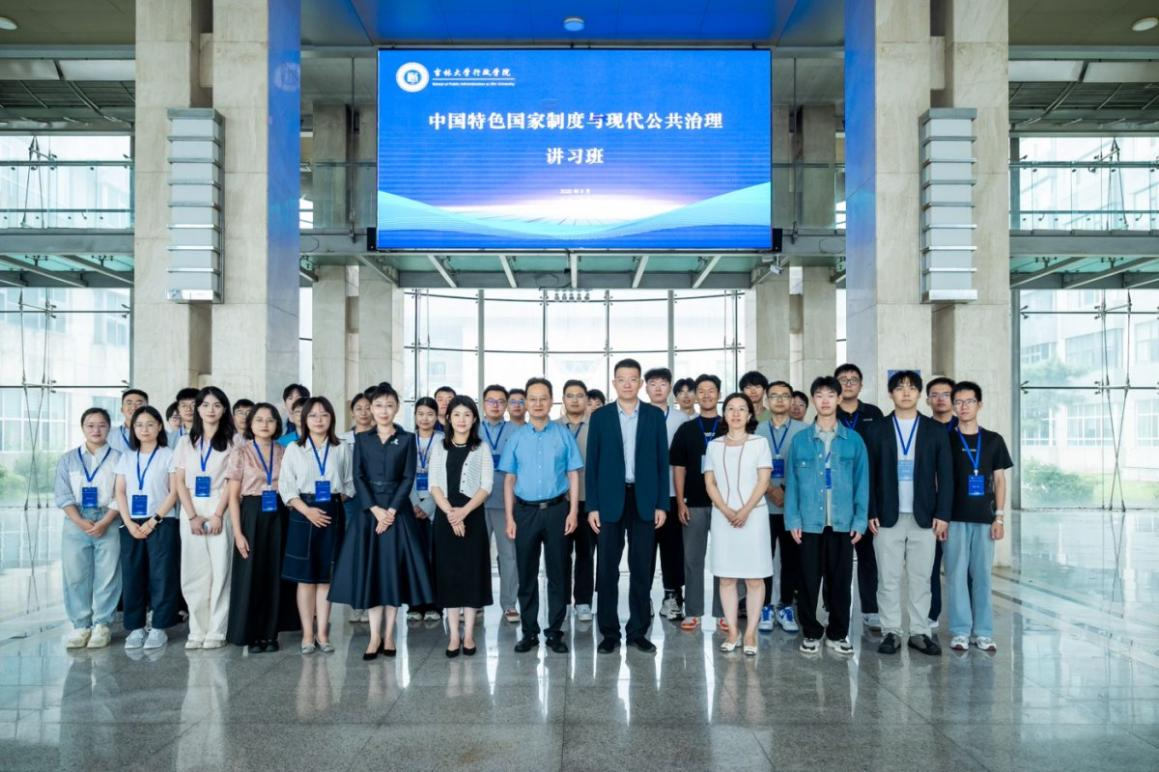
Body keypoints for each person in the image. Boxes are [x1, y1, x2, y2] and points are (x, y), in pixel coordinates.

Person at [330, 382, 433, 660]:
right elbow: (358, 476)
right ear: (371, 409)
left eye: (389, 405)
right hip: (369, 514)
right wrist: (375, 509)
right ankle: (374, 636)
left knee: (392, 573)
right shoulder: (362, 439)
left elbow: (408, 477)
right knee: (373, 573)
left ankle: (389, 635)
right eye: (378, 405)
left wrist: (391, 511)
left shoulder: (407, 439)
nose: (383, 410)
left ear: (397, 408)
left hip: (398, 514)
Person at [586, 358, 670, 654]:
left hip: (644, 500)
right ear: (614, 383)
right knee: (607, 569)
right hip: (609, 500)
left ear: (640, 383)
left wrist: (662, 504)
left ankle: (637, 631)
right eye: (621, 379)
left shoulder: (653, 416)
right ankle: (609, 633)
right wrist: (592, 506)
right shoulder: (601, 417)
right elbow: (592, 464)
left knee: (642, 568)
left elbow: (662, 462)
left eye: (633, 379)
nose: (627, 384)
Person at [865, 370, 952, 657]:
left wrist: (943, 514)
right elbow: (868, 475)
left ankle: (919, 632)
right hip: (886, 516)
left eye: (911, 388)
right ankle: (891, 631)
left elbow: (946, 476)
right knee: (887, 578)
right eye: (900, 387)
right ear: (890, 393)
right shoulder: (877, 429)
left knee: (921, 578)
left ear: (919, 394)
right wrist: (870, 510)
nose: (905, 392)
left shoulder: (935, 430)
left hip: (924, 517)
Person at [785, 376, 869, 655]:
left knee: (841, 582)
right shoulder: (800, 441)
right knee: (808, 581)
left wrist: (860, 520)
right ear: (813, 400)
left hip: (843, 523)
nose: (825, 400)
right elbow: (792, 484)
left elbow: (862, 483)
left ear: (839, 399)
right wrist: (793, 519)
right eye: (819, 395)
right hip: (809, 522)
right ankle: (811, 632)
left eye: (830, 395)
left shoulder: (853, 440)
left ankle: (837, 633)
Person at [501, 378, 583, 654]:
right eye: (532, 399)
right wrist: (510, 517)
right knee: (526, 574)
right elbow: (509, 479)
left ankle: (555, 631)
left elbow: (573, 474)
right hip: (524, 513)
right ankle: (529, 632)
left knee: (558, 573)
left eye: (543, 398)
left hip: (558, 510)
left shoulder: (562, 434)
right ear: (526, 402)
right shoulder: (516, 437)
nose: (537, 404)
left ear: (551, 401)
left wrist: (573, 511)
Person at [279, 396, 352, 654]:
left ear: (332, 418)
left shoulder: (341, 447)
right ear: (304, 419)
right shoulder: (294, 448)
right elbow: (286, 486)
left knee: (326, 577)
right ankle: (307, 635)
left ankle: (323, 633)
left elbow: (349, 484)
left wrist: (332, 502)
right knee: (306, 578)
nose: (318, 420)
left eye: (324, 415)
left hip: (332, 511)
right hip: (303, 512)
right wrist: (308, 510)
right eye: (312, 415)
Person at [225, 403, 298, 652]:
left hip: (279, 513)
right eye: (259, 420)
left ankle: (270, 634)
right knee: (251, 574)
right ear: (250, 424)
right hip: (251, 514)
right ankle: (252, 633)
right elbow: (233, 497)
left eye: (270, 420)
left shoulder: (285, 451)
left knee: (275, 573)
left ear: (277, 424)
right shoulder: (240, 452)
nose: (265, 424)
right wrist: (238, 533)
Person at [946, 381, 1012, 654]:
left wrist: (1000, 518)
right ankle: (961, 631)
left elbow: (1000, 480)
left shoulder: (994, 440)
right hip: (953, 519)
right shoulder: (947, 439)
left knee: (983, 576)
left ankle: (983, 632)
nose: (963, 407)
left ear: (980, 404)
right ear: (953, 406)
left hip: (985, 519)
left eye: (969, 401)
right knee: (956, 575)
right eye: (958, 402)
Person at [705, 393, 773, 655]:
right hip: (723, 518)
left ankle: (751, 632)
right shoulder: (714, 446)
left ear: (749, 415)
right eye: (731, 409)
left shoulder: (760, 443)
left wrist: (744, 511)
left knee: (755, 578)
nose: (736, 413)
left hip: (753, 516)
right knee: (726, 577)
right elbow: (710, 482)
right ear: (724, 415)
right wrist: (725, 510)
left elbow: (763, 481)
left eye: (741, 409)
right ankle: (733, 631)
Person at [171, 386, 237, 649]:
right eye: (206, 405)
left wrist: (219, 514)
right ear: (198, 409)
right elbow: (179, 481)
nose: (211, 410)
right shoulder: (185, 442)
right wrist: (191, 516)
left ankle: (217, 630)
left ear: (224, 409)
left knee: (221, 570)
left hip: (221, 503)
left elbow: (233, 481)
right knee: (194, 571)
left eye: (217, 405)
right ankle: (197, 629)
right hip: (192, 506)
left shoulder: (234, 441)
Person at [429, 396, 493, 657]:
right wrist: (451, 515)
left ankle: (469, 636)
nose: (462, 419)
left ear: (474, 418)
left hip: (473, 517)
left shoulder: (482, 448)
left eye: (467, 414)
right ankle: (454, 635)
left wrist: (464, 513)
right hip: (445, 518)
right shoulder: (439, 447)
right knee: (450, 575)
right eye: (456, 414)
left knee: (471, 574)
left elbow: (486, 485)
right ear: (448, 418)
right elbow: (434, 484)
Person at [55, 407, 122, 649]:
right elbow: (62, 494)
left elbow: (121, 494)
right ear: (83, 428)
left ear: (109, 428)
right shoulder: (68, 459)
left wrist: (105, 521)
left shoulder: (118, 458)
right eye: (91, 425)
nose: (96, 430)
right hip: (76, 520)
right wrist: (80, 521)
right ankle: (81, 625)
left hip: (109, 519)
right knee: (75, 574)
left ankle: (102, 624)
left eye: (102, 425)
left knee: (108, 574)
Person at [114, 405, 180, 650]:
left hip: (162, 521)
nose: (144, 429)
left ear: (159, 427)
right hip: (131, 522)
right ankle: (135, 627)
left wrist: (154, 520)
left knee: (162, 575)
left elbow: (174, 491)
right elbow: (120, 491)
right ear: (133, 428)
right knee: (133, 575)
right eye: (139, 425)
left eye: (150, 424)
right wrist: (129, 522)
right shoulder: (126, 456)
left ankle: (160, 627)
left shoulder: (168, 454)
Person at [834, 362, 885, 631]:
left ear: (861, 385)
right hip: (838, 495)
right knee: (836, 558)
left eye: (853, 379)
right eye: (843, 379)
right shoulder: (829, 412)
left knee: (868, 556)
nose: (848, 383)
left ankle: (871, 609)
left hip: (868, 494)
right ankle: (832, 605)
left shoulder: (874, 414)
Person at [670, 374, 723, 632]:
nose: (706, 395)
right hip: (693, 503)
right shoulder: (687, 429)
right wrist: (681, 502)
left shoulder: (729, 426)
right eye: (701, 391)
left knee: (724, 559)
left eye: (711, 390)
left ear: (719, 394)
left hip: (725, 505)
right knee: (692, 559)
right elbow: (678, 468)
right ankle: (693, 611)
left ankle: (723, 612)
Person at [754, 380, 807, 634]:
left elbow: (807, 468)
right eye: (774, 395)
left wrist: (785, 491)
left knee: (790, 560)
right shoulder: (756, 430)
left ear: (791, 400)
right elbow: (750, 466)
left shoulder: (803, 430)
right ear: (767, 400)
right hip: (762, 506)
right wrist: (770, 489)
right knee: (763, 558)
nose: (779, 400)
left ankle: (785, 605)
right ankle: (765, 606)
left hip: (792, 507)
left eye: (785, 396)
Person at [645, 366, 690, 621]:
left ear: (669, 388)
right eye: (653, 383)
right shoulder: (638, 416)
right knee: (645, 548)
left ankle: (672, 597)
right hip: (644, 495)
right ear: (646, 388)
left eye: (663, 383)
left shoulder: (681, 419)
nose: (658, 388)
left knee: (673, 549)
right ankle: (643, 598)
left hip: (673, 494)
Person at [478, 384, 520, 624]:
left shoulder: (516, 430)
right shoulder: (473, 429)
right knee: (476, 554)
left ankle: (509, 603)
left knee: (508, 556)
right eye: (490, 401)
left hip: (506, 503)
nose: (495, 405)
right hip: (476, 503)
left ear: (506, 405)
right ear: (483, 404)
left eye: (500, 401)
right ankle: (476, 602)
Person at [557, 379, 595, 623]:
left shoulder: (597, 426)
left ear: (586, 399)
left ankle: (583, 602)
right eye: (569, 395)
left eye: (579, 395)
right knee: (560, 554)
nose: (574, 400)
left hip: (587, 500)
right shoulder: (552, 427)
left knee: (585, 554)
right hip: (559, 501)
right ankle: (561, 602)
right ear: (563, 399)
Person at [925, 375, 958, 629]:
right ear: (927, 400)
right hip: (929, 509)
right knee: (930, 565)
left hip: (961, 508)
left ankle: (963, 620)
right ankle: (932, 613)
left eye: (946, 395)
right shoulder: (922, 430)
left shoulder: (965, 428)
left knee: (961, 567)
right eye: (934, 395)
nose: (940, 399)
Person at [407, 397, 444, 623]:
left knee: (435, 557)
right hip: (410, 505)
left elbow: (445, 475)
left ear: (436, 416)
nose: (425, 418)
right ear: (415, 416)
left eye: (430, 414)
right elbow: (404, 475)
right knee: (414, 557)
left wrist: (428, 504)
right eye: (420, 414)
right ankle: (415, 604)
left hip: (436, 505)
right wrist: (413, 503)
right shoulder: (406, 440)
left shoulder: (443, 440)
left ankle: (434, 605)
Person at [341, 392, 375, 624]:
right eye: (358, 408)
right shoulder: (342, 439)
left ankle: (374, 602)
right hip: (351, 501)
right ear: (352, 412)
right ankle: (357, 603)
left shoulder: (381, 436)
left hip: (376, 500)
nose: (363, 412)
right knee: (355, 551)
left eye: (367, 407)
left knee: (375, 552)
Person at [108, 388, 147, 454]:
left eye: (139, 403)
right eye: (129, 403)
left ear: (147, 409)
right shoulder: (110, 435)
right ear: (122, 409)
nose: (133, 407)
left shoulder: (158, 434)